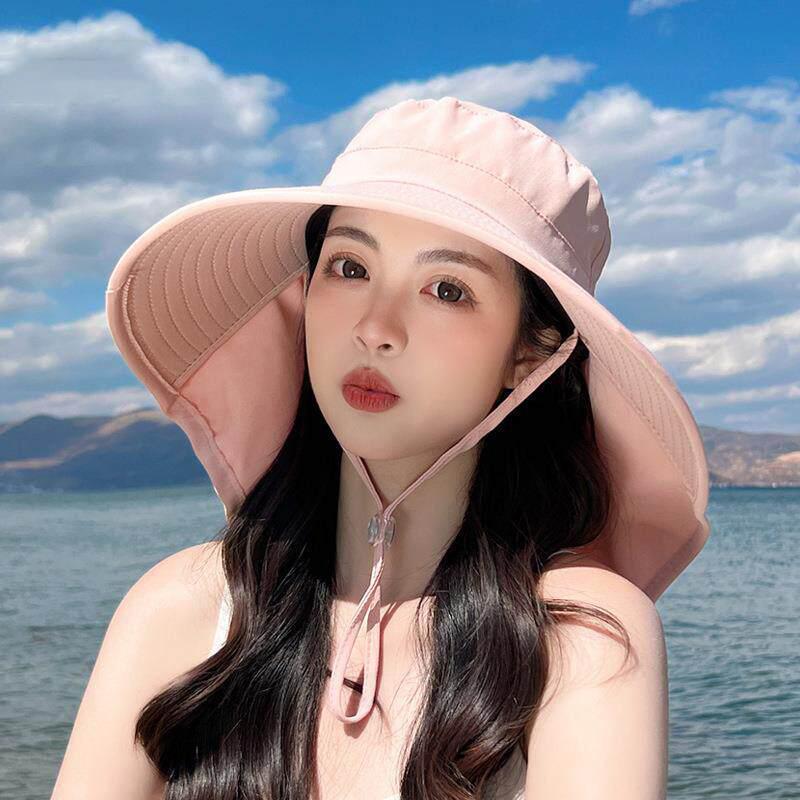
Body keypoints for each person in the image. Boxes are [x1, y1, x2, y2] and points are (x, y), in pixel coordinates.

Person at [53, 96, 710, 799]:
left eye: (446, 288)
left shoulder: (581, 639)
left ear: (532, 351)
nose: (376, 328)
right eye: (350, 267)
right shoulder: (182, 610)